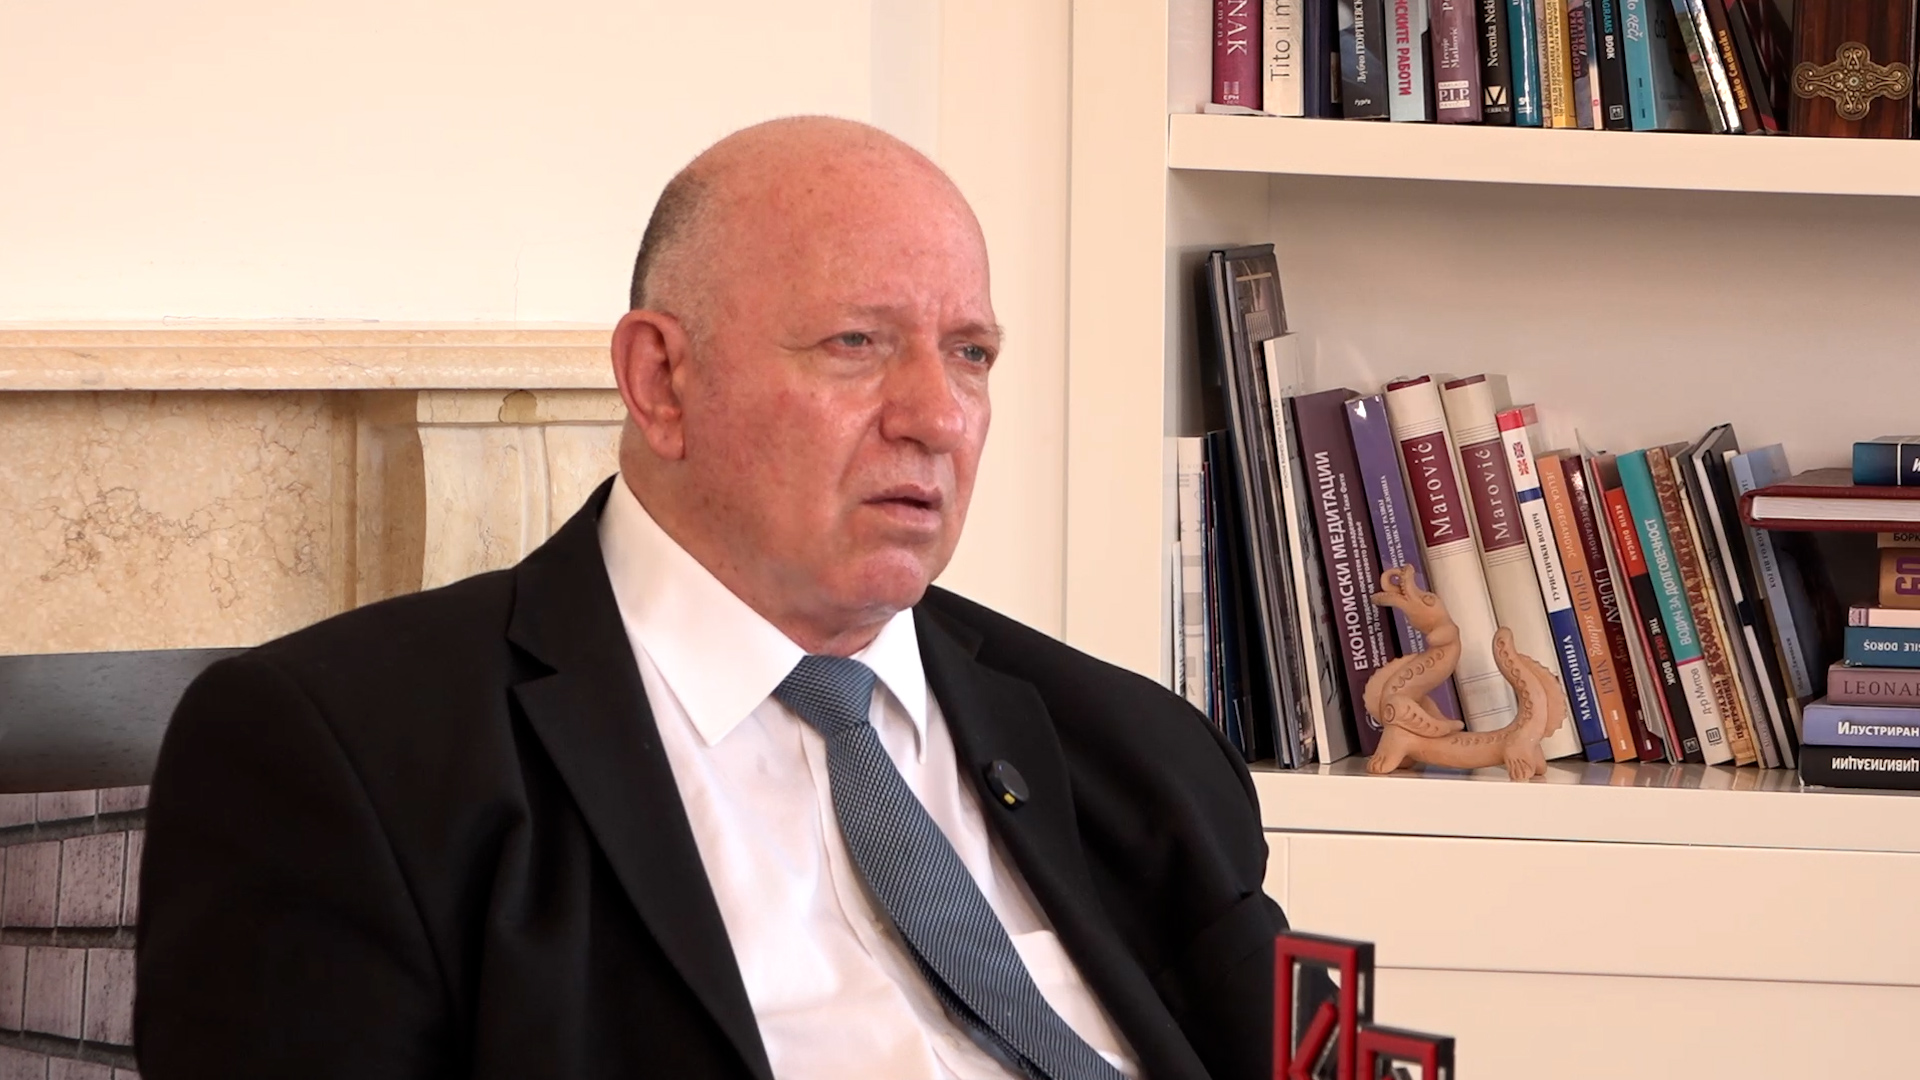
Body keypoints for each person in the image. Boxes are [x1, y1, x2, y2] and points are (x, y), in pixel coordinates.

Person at [136, 117, 1290, 1080]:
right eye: (857, 342)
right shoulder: (346, 757)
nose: (938, 417)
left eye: (971, 354)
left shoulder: (1139, 753)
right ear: (661, 380)